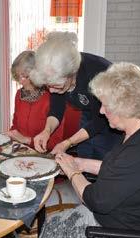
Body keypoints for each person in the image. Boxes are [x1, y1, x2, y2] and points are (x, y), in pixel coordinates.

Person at [40, 63, 140, 238]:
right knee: (50, 223)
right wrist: (81, 163)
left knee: (49, 232)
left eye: (105, 106)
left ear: (125, 107)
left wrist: (72, 172)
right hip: (115, 215)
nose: (100, 111)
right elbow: (119, 171)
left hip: (118, 229)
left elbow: (96, 200)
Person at [31, 31, 121, 159]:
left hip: (112, 121)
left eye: (56, 86)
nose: (51, 91)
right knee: (84, 155)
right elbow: (56, 110)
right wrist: (46, 131)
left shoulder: (97, 73)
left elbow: (99, 121)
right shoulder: (56, 75)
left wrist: (68, 143)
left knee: (105, 164)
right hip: (89, 114)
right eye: (48, 86)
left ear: (71, 74)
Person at [6, 50, 80, 151]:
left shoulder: (53, 97)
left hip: (43, 156)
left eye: (24, 76)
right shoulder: (19, 94)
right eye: (17, 76)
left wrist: (27, 140)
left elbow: (55, 144)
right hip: (21, 152)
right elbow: (15, 127)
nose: (20, 81)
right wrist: (9, 136)